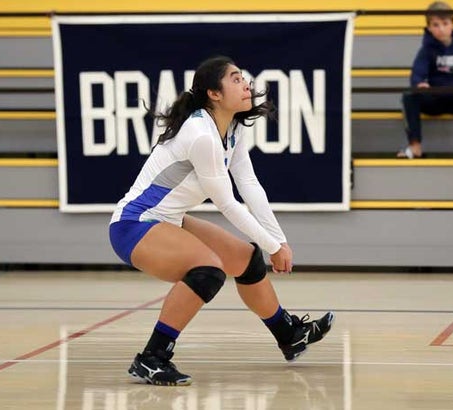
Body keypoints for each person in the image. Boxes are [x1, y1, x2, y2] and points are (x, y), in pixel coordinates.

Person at [109, 56, 334, 386]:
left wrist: (278, 240)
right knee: (208, 271)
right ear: (214, 93)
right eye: (235, 78)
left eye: (243, 77)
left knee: (246, 259)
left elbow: (249, 185)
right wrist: (275, 247)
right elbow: (227, 203)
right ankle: (152, 358)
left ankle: (289, 335)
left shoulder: (230, 128)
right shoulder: (200, 134)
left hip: (170, 219)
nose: (245, 84)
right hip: (134, 224)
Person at [398, 1, 453, 159]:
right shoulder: (426, 50)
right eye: (435, 25)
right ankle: (414, 146)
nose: (441, 29)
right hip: (435, 99)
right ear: (428, 27)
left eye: (445, 23)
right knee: (409, 96)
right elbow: (417, 72)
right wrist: (420, 84)